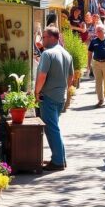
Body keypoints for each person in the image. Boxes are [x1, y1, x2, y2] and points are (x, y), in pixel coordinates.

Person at [34, 27, 74, 171]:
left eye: (43, 37)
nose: (41, 40)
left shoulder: (47, 54)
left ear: (52, 38)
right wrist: (64, 90)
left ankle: (57, 161)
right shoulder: (66, 54)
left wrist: (36, 92)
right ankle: (60, 158)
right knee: (54, 127)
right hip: (60, 96)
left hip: (49, 96)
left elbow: (42, 75)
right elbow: (71, 77)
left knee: (51, 129)